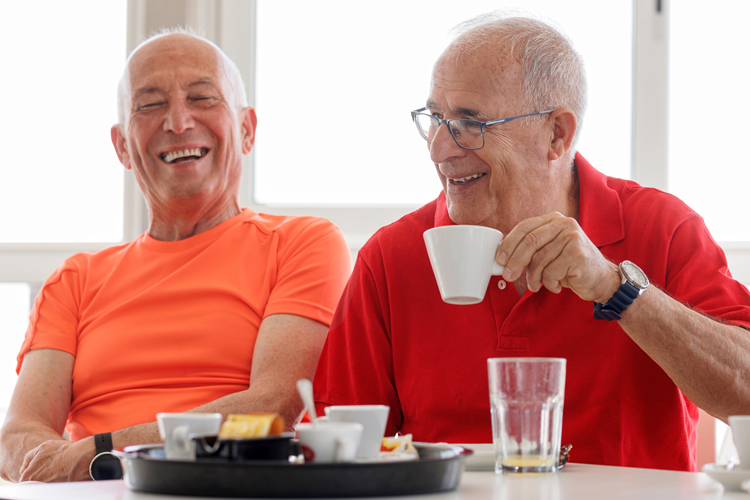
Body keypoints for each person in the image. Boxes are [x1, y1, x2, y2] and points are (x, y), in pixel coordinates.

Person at [313, 13, 750, 472]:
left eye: (470, 121)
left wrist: (615, 288)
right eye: (436, 118)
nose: (440, 148)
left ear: (556, 133)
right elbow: (337, 449)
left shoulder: (663, 227)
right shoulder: (390, 256)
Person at [0, 31, 351, 482]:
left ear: (247, 130)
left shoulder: (303, 243)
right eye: (149, 105)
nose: (178, 121)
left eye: (202, 97)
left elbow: (274, 407)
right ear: (123, 147)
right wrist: (75, 465)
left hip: (227, 488)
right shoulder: (76, 279)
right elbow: (17, 436)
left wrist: (103, 452)